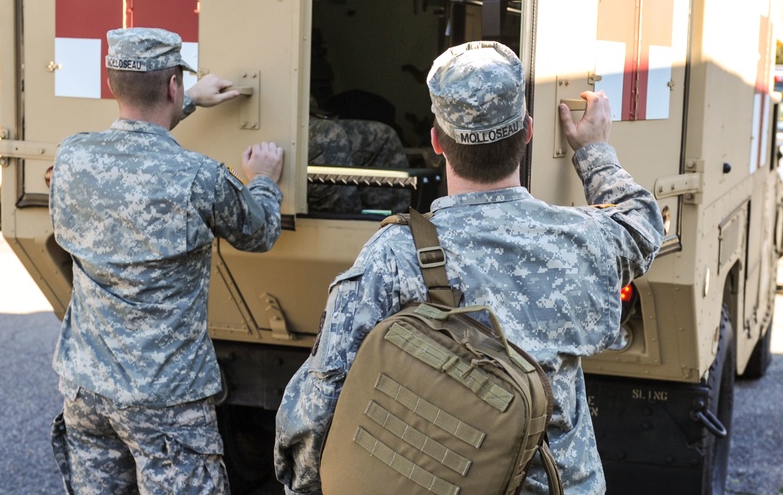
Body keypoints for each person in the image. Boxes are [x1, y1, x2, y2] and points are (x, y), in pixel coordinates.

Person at [273, 40, 664, 495]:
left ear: (436, 142)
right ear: (528, 132)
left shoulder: (394, 255)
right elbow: (642, 224)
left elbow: (319, 402)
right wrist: (593, 150)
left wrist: (306, 484)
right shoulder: (581, 237)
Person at [49, 27, 285, 495]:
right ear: (173, 85)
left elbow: (136, 147)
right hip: (166, 400)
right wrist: (262, 179)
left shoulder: (72, 156)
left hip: (86, 390)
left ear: (112, 84)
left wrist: (190, 100)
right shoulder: (199, 177)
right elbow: (259, 232)